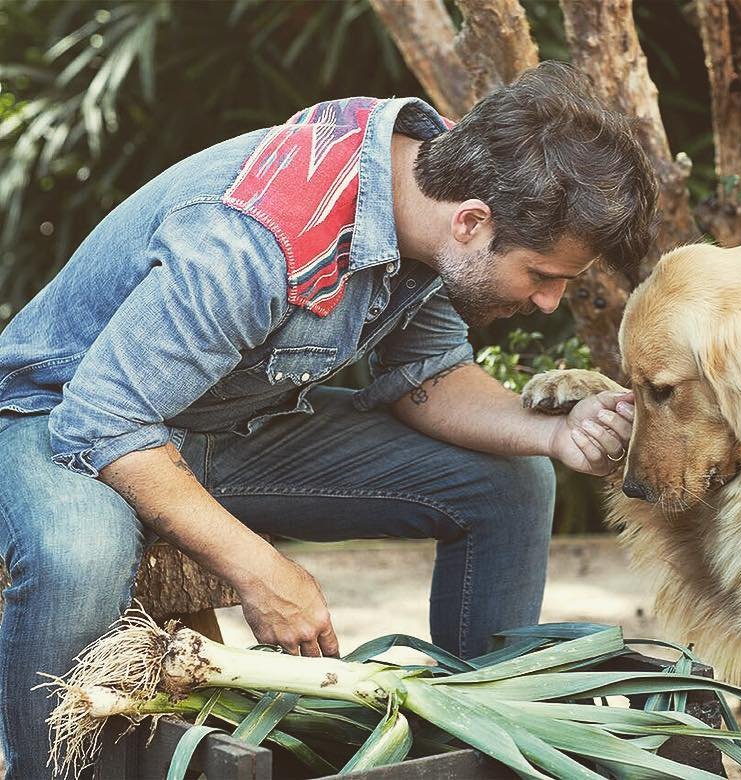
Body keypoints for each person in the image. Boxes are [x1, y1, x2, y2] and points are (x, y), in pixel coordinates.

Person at [0, 61, 657, 777]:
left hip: (219, 422)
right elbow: (105, 422)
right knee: (80, 556)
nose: (548, 302)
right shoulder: (253, 240)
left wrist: (552, 434)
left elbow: (427, 377)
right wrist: (261, 570)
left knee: (511, 483)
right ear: (473, 223)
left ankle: (487, 745)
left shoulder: (427, 193)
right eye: (543, 275)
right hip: (57, 414)